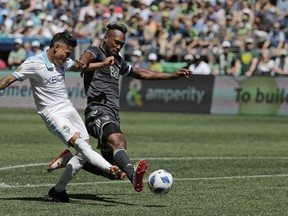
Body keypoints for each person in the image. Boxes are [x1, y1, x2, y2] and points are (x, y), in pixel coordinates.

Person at [49, 22, 191, 193]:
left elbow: (140, 72)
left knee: (114, 171)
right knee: (119, 140)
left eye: (121, 44)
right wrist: (84, 64)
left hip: (112, 114)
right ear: (106, 38)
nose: (118, 46)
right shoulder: (96, 52)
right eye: (115, 42)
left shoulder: (118, 61)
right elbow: (84, 59)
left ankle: (68, 159)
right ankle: (134, 177)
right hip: (97, 111)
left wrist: (171, 76)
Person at [0, 30, 120, 203]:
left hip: (69, 110)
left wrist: (102, 64)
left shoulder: (62, 61)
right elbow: (8, 80)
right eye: (67, 53)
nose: (67, 58)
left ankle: (58, 190)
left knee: (83, 153)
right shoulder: (34, 63)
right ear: (56, 47)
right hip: (53, 114)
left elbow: (80, 66)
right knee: (83, 147)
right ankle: (112, 169)